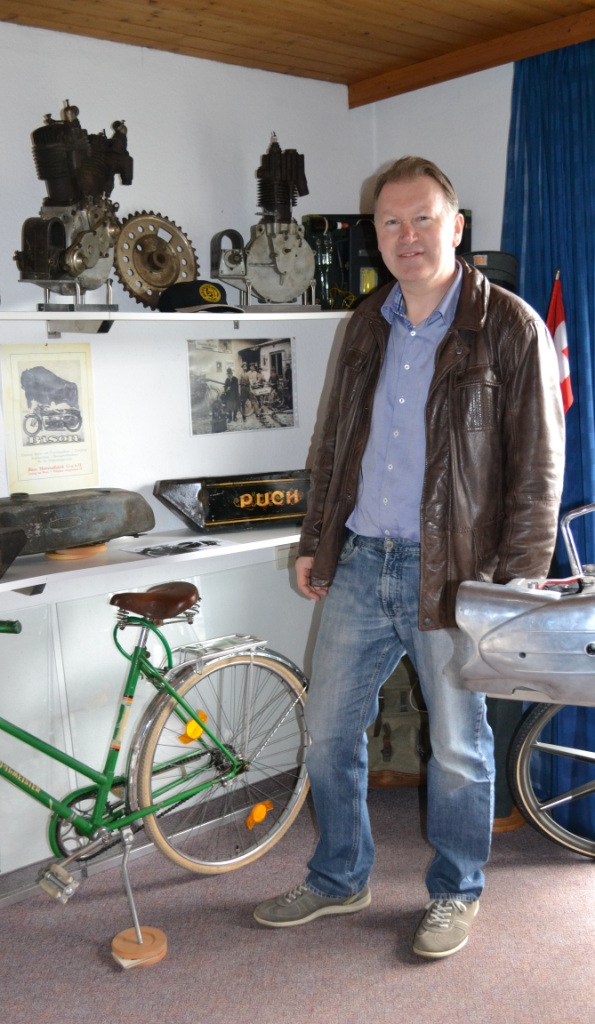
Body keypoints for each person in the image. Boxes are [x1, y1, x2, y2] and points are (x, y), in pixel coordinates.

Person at [253, 156, 565, 958]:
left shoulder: (509, 326)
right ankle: (338, 877)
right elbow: (334, 442)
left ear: (455, 227)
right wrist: (315, 540)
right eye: (390, 222)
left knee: (458, 748)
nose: (407, 235)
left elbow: (537, 464)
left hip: (457, 572)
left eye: (422, 218)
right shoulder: (366, 322)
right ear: (375, 236)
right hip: (361, 561)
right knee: (327, 734)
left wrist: (517, 580)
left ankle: (455, 891)